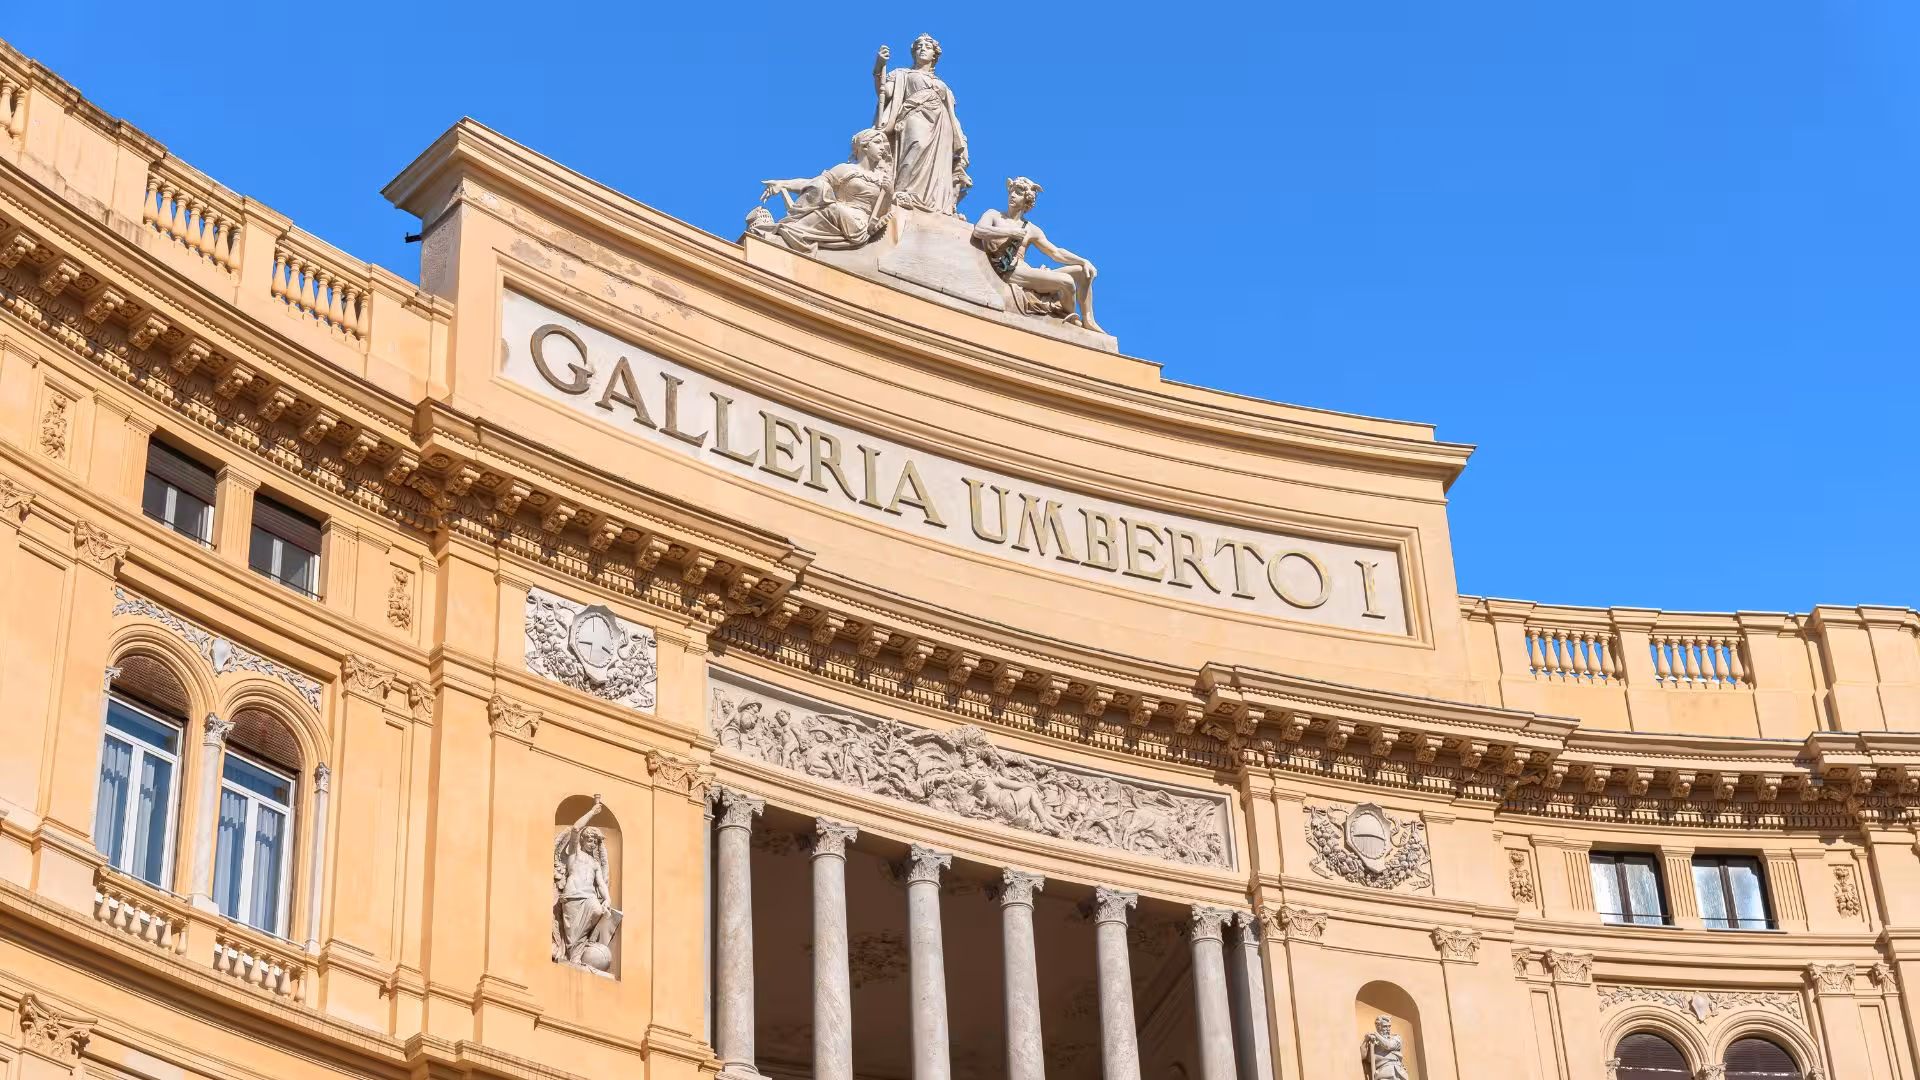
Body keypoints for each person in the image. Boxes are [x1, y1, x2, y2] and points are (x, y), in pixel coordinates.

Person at [971, 177, 1104, 333]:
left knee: (1083, 273)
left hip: (1026, 271)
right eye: (1012, 190)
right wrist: (1010, 232)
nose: (1013, 195)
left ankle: (1088, 319)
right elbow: (979, 231)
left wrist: (1083, 261)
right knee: (1067, 282)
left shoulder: (1031, 229)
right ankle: (1066, 315)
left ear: (1027, 200)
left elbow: (1055, 252)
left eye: (1019, 192)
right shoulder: (994, 215)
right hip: (1009, 271)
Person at [747, 129, 894, 253]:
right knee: (821, 187)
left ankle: (788, 231)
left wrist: (889, 192)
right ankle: (789, 231)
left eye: (883, 144)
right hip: (837, 212)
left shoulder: (882, 178)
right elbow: (812, 183)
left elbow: (883, 211)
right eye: (877, 142)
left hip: (859, 224)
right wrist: (783, 184)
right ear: (864, 146)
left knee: (830, 207)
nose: (882, 148)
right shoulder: (846, 169)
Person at [871, 35, 971, 214]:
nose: (922, 49)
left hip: (942, 125)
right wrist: (879, 67)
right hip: (914, 115)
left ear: (935, 55)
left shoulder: (943, 84)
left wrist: (960, 138)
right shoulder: (902, 74)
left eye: (927, 46)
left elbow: (951, 112)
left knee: (939, 163)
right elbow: (884, 91)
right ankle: (902, 191)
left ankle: (935, 203)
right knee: (916, 146)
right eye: (918, 47)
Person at [552, 796, 618, 969]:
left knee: (597, 910)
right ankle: (572, 958)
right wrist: (592, 812)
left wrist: (608, 898)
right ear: (582, 840)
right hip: (572, 897)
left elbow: (601, 883)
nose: (592, 844)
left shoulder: (595, 863)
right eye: (589, 840)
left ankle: (576, 955)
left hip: (588, 898)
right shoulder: (575, 854)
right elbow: (575, 829)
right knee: (572, 937)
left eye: (594, 842)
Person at [1364, 1016, 1410, 1080]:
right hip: (1383, 1073)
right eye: (1385, 1026)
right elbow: (1363, 1056)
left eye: (1389, 1026)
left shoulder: (1396, 1038)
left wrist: (1376, 1034)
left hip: (1398, 1072)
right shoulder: (1372, 1043)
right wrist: (1365, 1041)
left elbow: (1389, 1046)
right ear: (1378, 1027)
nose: (1388, 1029)